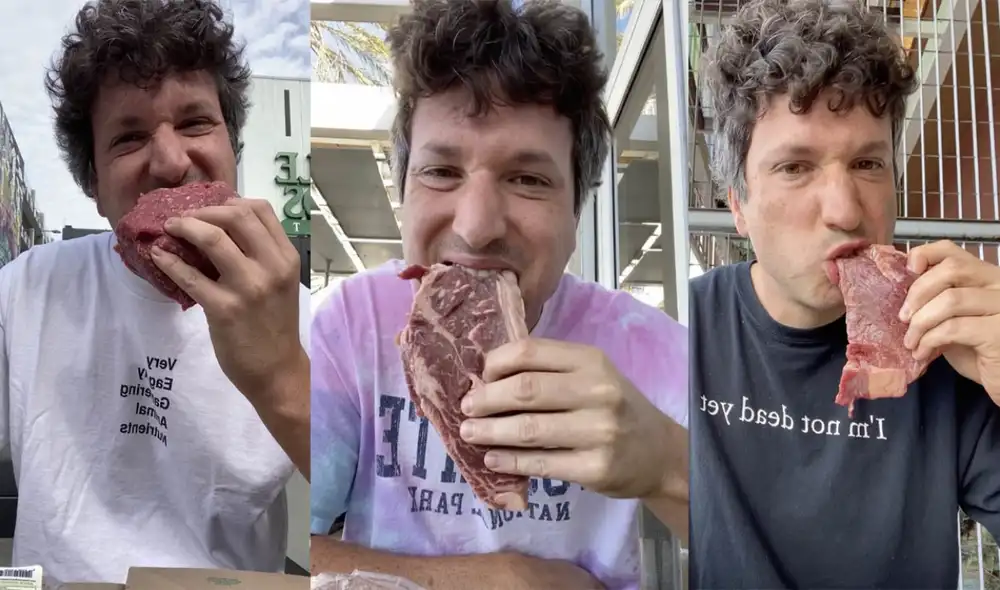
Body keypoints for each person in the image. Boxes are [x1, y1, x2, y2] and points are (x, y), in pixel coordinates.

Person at [309, 1, 688, 589]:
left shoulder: (645, 348)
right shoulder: (349, 326)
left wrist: (669, 465)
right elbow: (280, 549)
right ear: (403, 188)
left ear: (576, 209)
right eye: (440, 172)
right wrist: (498, 577)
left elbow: (771, 550)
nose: (478, 224)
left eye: (527, 179)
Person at [690, 0, 1000, 587]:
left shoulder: (945, 343)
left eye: (867, 163)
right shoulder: (684, 334)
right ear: (737, 204)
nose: (845, 210)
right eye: (795, 168)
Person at [0, 0, 309, 584]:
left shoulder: (302, 310)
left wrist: (280, 373)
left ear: (232, 149)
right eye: (129, 137)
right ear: (93, 184)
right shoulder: (28, 288)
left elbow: (373, 500)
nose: (170, 162)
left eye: (195, 123)